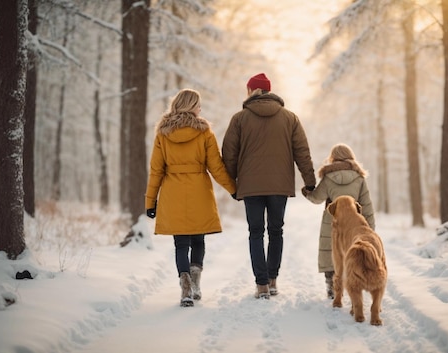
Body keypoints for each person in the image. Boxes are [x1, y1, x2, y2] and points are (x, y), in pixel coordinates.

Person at [222, 73, 316, 299]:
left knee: (255, 233)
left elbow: (229, 155)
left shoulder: (239, 119)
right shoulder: (290, 118)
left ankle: (261, 285)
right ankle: (273, 281)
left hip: (250, 186)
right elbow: (302, 152)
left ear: (251, 91)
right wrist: (309, 182)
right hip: (279, 186)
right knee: (276, 232)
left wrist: (233, 183)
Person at [145, 88, 236, 307]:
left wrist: (150, 202)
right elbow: (216, 167)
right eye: (197, 104)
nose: (200, 108)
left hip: (172, 192)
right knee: (198, 239)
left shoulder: (162, 133)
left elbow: (156, 170)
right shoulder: (205, 132)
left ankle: (184, 284)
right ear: (190, 106)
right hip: (198, 192)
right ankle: (195, 282)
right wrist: (233, 189)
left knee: (180, 244)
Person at [301, 143, 375, 299]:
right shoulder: (359, 178)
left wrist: (307, 193)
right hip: (354, 224)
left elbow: (317, 198)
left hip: (332, 220)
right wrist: (370, 230)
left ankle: (331, 286)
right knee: (351, 252)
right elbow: (366, 206)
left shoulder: (328, 177)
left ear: (333, 157)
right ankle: (352, 284)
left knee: (331, 251)